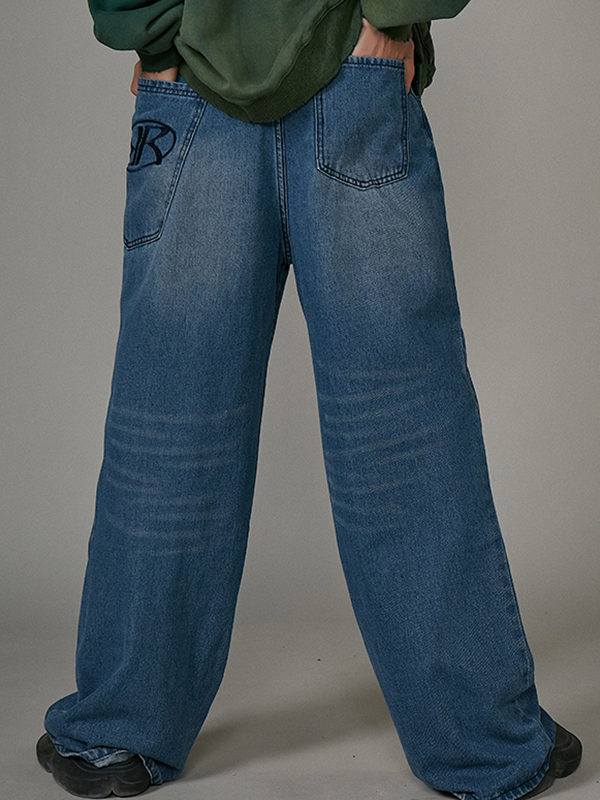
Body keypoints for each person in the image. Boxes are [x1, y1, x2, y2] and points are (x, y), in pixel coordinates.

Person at [37, 2, 582, 799]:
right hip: (349, 69)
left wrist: (153, 35)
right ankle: (481, 744)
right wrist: (392, 12)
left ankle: (116, 734)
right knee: (403, 430)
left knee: (171, 427)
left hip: (195, 80)